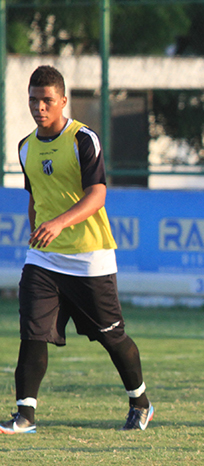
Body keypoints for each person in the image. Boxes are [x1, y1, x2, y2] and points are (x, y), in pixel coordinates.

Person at [0, 65, 153, 435]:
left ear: (63, 101)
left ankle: (141, 402)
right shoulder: (25, 147)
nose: (39, 107)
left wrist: (59, 223)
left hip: (89, 257)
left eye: (47, 100)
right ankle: (25, 415)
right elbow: (36, 196)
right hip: (44, 259)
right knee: (33, 333)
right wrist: (38, 226)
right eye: (33, 100)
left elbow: (98, 195)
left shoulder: (82, 139)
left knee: (112, 337)